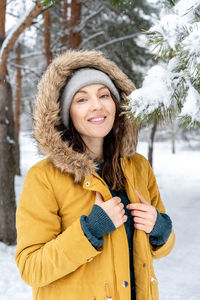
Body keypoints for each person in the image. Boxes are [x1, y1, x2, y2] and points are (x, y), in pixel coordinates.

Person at [15, 50, 175, 300]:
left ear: (117, 104)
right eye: (81, 99)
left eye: (104, 95)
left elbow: (161, 248)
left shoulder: (138, 167)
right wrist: (91, 229)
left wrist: (160, 228)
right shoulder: (44, 177)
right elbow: (31, 267)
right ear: (66, 113)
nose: (97, 105)